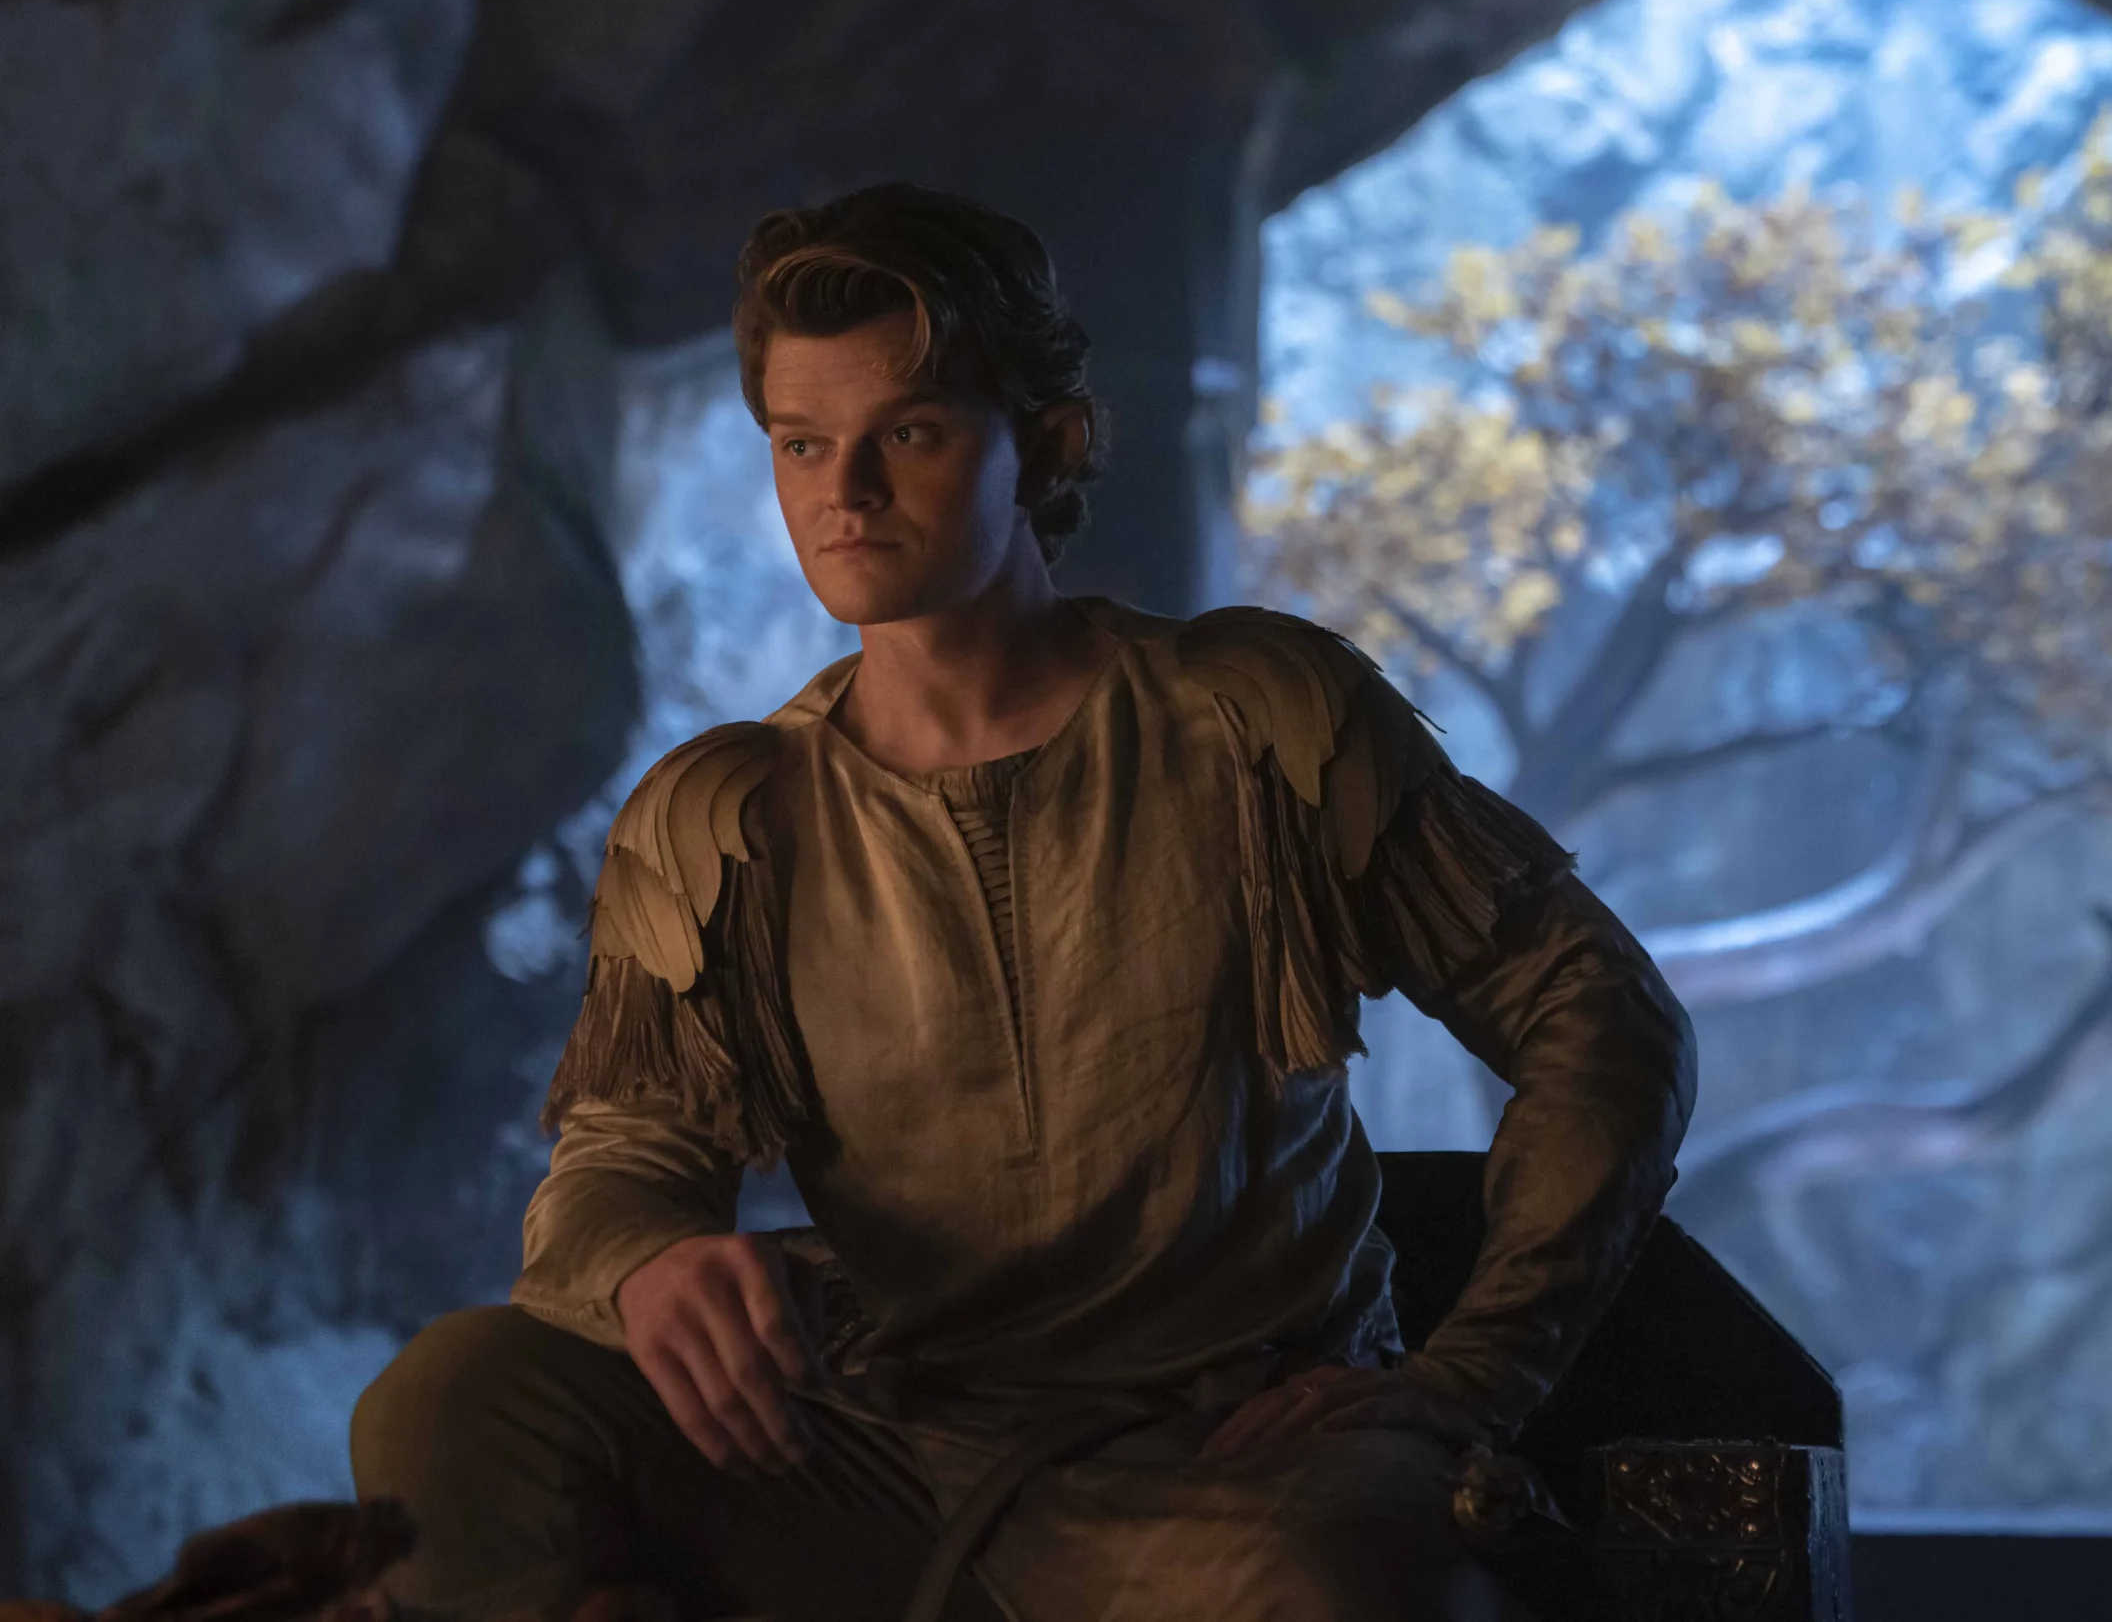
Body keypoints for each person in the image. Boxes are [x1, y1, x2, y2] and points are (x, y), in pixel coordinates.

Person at [350, 183, 1697, 1622]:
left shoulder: (1257, 721)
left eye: (908, 434)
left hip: (1226, 1467)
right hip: (876, 1457)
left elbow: (1598, 1017)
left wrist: (1468, 1378)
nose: (844, 492)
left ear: (1045, 444)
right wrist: (648, 1261)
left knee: (1351, 1585)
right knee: (454, 1403)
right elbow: (625, 1151)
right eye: (802, 444)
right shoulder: (724, 815)